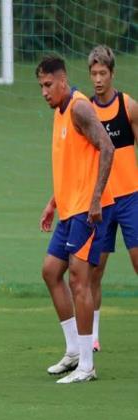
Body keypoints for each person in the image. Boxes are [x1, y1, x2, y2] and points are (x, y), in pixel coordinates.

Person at [37, 56, 115, 383]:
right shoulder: (59, 112)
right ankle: (73, 351)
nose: (44, 92)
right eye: (41, 86)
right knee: (50, 271)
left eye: (48, 85)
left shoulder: (80, 109)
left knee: (79, 281)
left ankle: (86, 365)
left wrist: (96, 199)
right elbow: (71, 164)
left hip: (87, 210)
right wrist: (53, 203)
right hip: (69, 210)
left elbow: (107, 148)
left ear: (63, 80)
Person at [87, 45, 138, 352]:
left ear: (112, 73)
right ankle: (92, 335)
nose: (98, 79)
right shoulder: (86, 111)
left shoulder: (128, 106)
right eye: (93, 73)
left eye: (102, 73)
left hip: (131, 198)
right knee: (95, 270)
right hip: (101, 201)